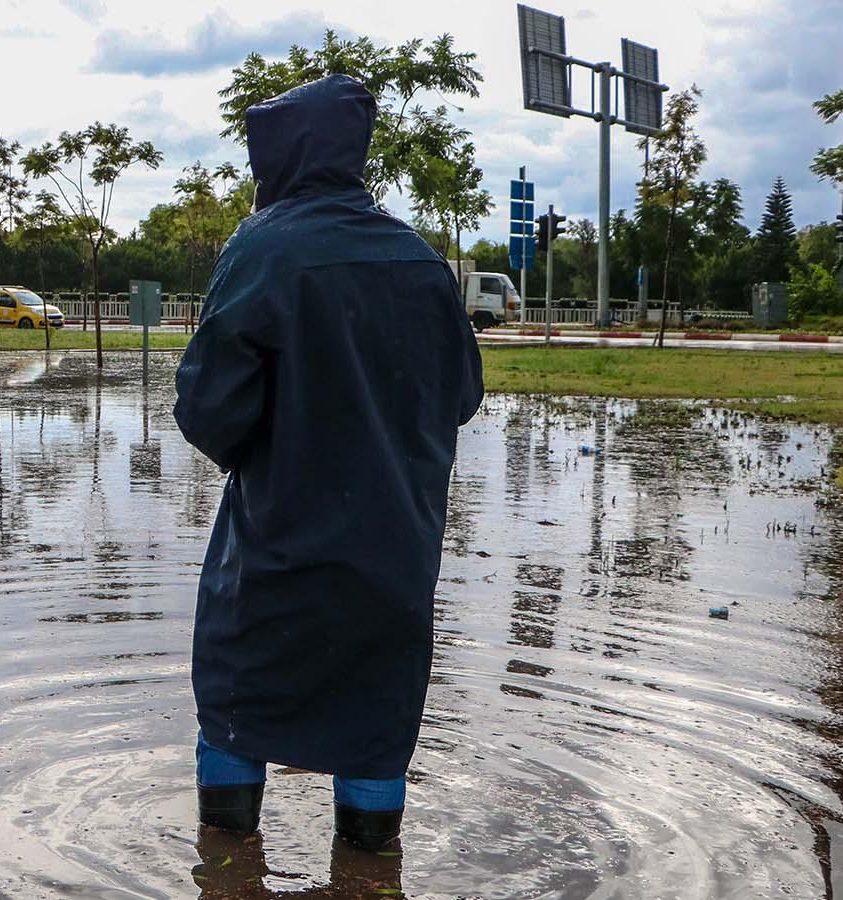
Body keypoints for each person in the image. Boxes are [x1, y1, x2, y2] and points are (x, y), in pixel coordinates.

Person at [174, 74, 484, 850]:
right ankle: (372, 869)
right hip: (395, 557)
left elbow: (208, 411)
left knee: (236, 701)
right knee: (376, 717)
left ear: (282, 157)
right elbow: (462, 397)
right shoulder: (417, 258)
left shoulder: (263, 247)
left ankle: (228, 867)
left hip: (279, 548)